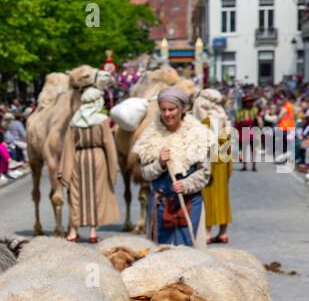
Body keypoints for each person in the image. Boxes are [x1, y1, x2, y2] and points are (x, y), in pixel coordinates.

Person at [133, 87, 211, 246]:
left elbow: (204, 172)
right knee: (161, 254)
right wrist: (159, 164)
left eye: (172, 109)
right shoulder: (150, 137)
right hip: (160, 204)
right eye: (163, 110)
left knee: (186, 253)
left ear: (181, 109)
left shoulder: (198, 134)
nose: (167, 114)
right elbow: (145, 174)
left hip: (188, 203)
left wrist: (185, 184)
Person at [59, 86, 120, 244]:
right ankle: (93, 232)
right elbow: (109, 145)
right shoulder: (102, 120)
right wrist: (113, 169)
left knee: (76, 195)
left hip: (79, 158)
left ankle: (73, 232)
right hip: (98, 159)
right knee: (97, 194)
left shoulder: (75, 120)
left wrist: (64, 170)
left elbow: (68, 146)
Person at [195, 88, 234, 243]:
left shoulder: (205, 119)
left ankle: (207, 232)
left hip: (209, 160)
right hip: (223, 159)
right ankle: (223, 232)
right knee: (223, 196)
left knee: (208, 196)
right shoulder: (223, 117)